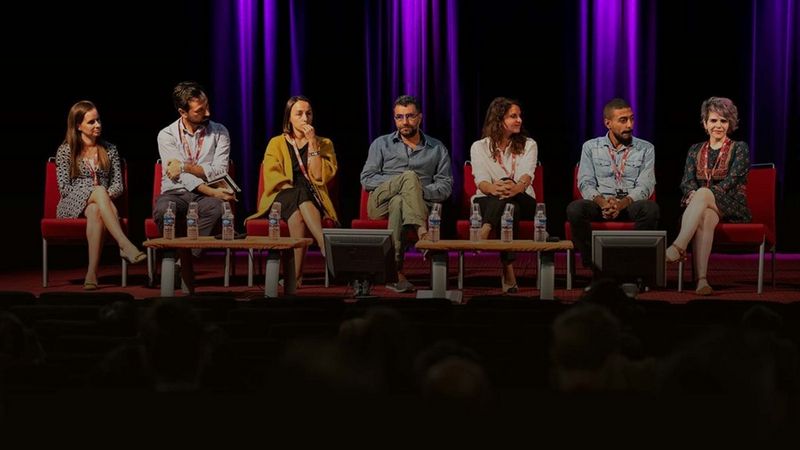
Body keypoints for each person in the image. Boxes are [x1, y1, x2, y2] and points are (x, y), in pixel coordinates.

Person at [360, 95, 453, 293]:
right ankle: (422, 232)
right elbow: (367, 179)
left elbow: (445, 186)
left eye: (410, 116)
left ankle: (395, 271)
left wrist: (416, 192)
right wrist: (402, 183)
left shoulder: (437, 148)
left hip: (416, 203)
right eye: (399, 117)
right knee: (408, 178)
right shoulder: (380, 144)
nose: (404, 122)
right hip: (379, 203)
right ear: (394, 119)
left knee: (399, 202)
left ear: (420, 117)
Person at [246, 96, 338, 286]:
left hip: (312, 199)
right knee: (297, 193)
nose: (305, 118)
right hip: (280, 195)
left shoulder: (324, 143)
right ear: (289, 118)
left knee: (298, 215)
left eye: (309, 113)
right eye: (299, 113)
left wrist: (313, 144)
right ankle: (324, 244)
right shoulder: (276, 143)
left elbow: (319, 177)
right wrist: (294, 193)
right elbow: (272, 177)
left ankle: (295, 277)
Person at [55, 100, 146, 290]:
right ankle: (124, 244)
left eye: (98, 120)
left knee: (97, 206)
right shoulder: (65, 151)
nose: (98, 125)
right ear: (78, 126)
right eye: (91, 122)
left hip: (101, 203)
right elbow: (64, 188)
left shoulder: (110, 149)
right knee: (98, 191)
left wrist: (102, 195)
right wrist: (94, 191)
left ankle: (92, 274)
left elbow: (118, 186)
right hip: (71, 204)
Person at [153, 81, 235, 290]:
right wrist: (210, 187)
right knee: (163, 210)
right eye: (200, 110)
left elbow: (219, 170)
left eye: (207, 105)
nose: (208, 112)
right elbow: (177, 176)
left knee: (217, 209)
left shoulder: (220, 132)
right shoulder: (167, 134)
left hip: (205, 198)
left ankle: (182, 262)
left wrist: (184, 166)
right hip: (176, 192)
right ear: (183, 112)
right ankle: (177, 261)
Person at [667, 97, 751, 295]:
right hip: (702, 208)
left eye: (723, 120)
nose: (718, 125)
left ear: (730, 124)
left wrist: (704, 194)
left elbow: (733, 180)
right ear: (705, 123)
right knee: (705, 215)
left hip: (732, 204)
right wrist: (693, 195)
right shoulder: (694, 150)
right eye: (713, 120)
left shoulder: (740, 148)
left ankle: (678, 246)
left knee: (704, 193)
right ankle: (702, 281)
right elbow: (686, 181)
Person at [566, 98, 660, 267]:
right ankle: (593, 263)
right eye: (623, 120)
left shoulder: (646, 148)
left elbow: (646, 185)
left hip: (629, 203)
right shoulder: (590, 147)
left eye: (631, 119)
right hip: (601, 203)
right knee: (575, 209)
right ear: (607, 123)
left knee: (650, 209)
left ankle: (634, 265)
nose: (630, 125)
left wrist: (621, 204)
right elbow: (585, 182)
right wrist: (603, 203)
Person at [469, 97, 538, 293]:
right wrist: (494, 189)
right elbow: (480, 180)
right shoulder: (479, 147)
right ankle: (508, 269)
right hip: (488, 199)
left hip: (524, 200)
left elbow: (527, 175)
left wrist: (512, 186)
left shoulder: (529, 144)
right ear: (499, 120)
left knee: (510, 189)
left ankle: (486, 228)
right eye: (513, 116)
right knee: (510, 208)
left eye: (519, 116)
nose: (519, 120)